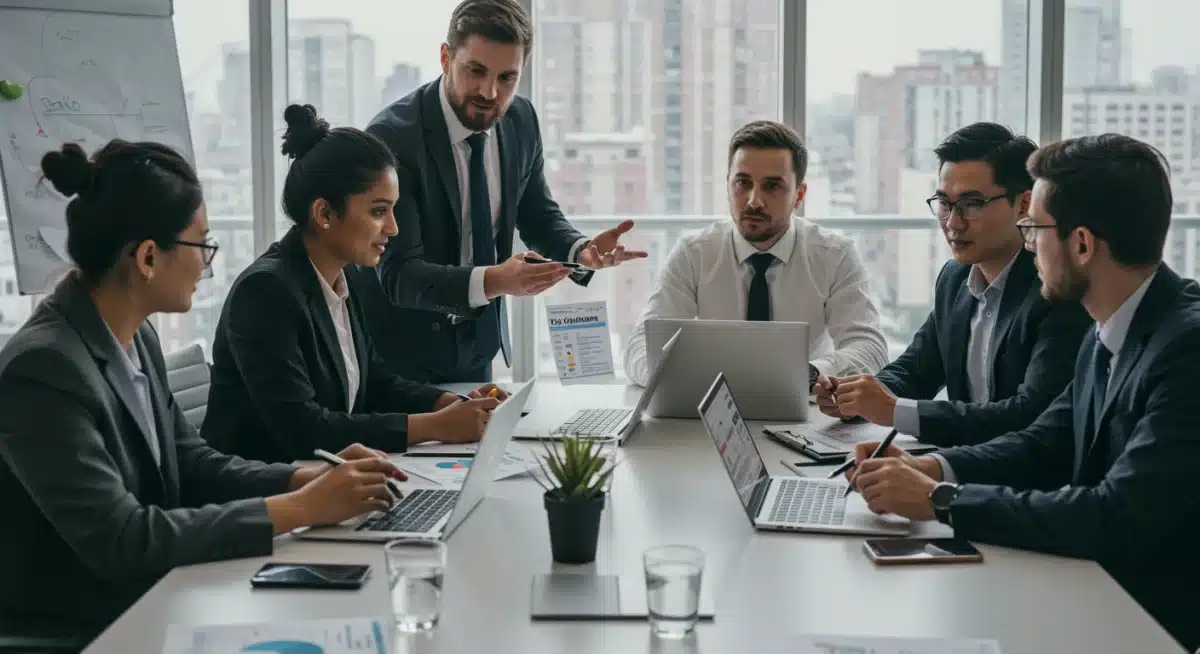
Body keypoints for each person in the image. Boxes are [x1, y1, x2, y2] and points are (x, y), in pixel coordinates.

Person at [0, 139, 405, 641]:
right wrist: (301, 509)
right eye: (202, 245)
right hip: (87, 627)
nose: (207, 265)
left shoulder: (133, 334)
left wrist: (310, 477)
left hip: (157, 593)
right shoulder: (44, 368)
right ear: (148, 257)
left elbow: (192, 462)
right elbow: (121, 540)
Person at [845, 134, 1200, 650]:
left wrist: (942, 500)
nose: (1028, 242)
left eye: (1035, 227)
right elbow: (1042, 441)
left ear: (1080, 244)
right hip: (1083, 587)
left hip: (1137, 624)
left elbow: (1115, 514)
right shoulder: (1112, 324)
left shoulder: (1186, 350)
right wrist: (935, 469)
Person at [354, 0, 647, 383]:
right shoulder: (392, 139)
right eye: (476, 71)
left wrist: (580, 250)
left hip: (478, 345)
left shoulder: (520, 120)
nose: (490, 92)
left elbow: (537, 213)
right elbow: (399, 276)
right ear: (445, 58)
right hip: (398, 361)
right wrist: (496, 281)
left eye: (507, 78)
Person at [203, 105, 502, 465]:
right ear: (325, 214)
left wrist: (448, 404)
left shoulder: (345, 278)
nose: (393, 228)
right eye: (378, 211)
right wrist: (434, 426)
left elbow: (375, 382)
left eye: (393, 210)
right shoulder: (265, 292)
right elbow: (305, 430)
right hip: (269, 497)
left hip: (326, 482)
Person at [817, 123, 1091, 445]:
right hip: (965, 464)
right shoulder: (955, 278)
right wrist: (857, 396)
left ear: (1023, 205)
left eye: (972, 204)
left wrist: (894, 411)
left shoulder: (1055, 288)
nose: (952, 223)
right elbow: (918, 369)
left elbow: (1030, 415)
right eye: (944, 203)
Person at [624, 120, 888, 387]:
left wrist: (806, 374)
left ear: (799, 194)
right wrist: (692, 378)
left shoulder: (835, 255)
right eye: (743, 183)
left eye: (772, 186)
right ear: (728, 184)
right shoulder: (695, 253)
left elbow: (870, 348)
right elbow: (639, 346)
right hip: (713, 407)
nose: (754, 201)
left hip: (806, 407)